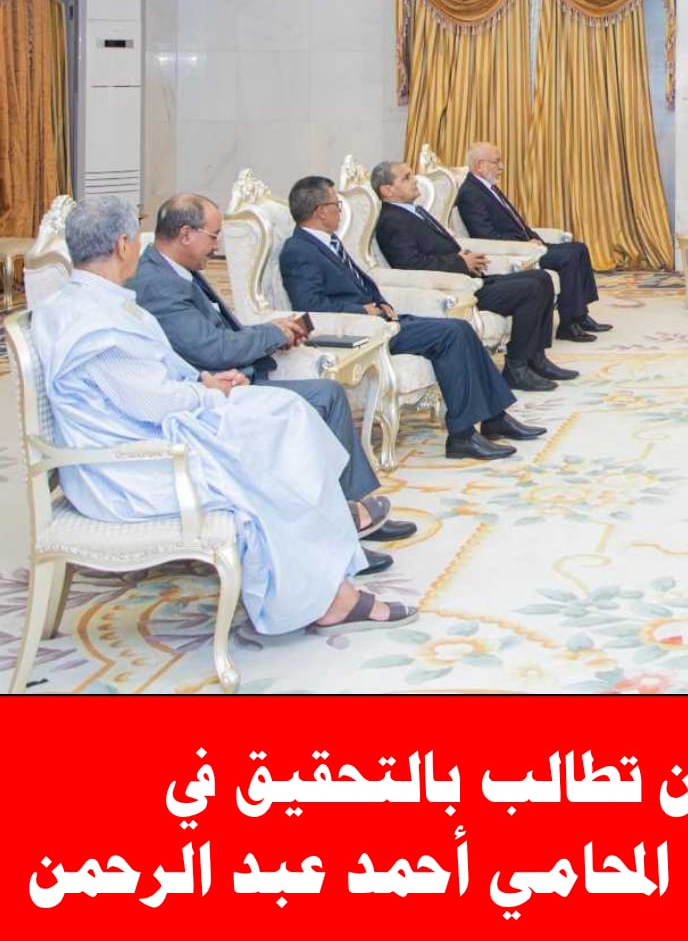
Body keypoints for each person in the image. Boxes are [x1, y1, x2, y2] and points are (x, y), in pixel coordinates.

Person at [31, 197, 417, 636]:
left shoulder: (89, 302)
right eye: (135, 239)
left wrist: (204, 381)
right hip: (130, 470)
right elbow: (154, 402)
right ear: (122, 244)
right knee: (276, 453)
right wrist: (208, 392)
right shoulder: (93, 321)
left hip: (145, 437)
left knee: (287, 415)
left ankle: (332, 557)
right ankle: (330, 593)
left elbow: (149, 380)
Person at [128, 192, 415, 575]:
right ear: (185, 234)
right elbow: (211, 349)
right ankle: (340, 533)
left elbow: (217, 334)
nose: (216, 247)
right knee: (324, 397)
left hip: (232, 380)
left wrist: (271, 332)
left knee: (328, 395)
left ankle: (353, 512)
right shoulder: (158, 283)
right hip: (212, 394)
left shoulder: (177, 269)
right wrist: (271, 335)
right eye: (213, 237)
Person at [279, 176, 546, 461]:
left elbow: (358, 284)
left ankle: (494, 418)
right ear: (321, 211)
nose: (340, 211)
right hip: (362, 332)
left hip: (382, 320)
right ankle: (462, 436)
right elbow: (310, 305)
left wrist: (381, 302)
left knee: (460, 328)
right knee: (452, 334)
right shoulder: (299, 250)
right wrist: (364, 312)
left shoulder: (326, 242)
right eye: (337, 205)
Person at [371, 161, 577, 393]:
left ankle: (536, 358)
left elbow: (439, 248)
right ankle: (517, 367)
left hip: (468, 278)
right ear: (387, 190)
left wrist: (465, 257)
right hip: (455, 290)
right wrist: (460, 262)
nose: (415, 180)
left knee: (540, 278)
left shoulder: (414, 210)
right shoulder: (391, 220)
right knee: (530, 288)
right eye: (407, 178)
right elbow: (410, 265)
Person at [457, 141, 612, 342]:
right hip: (517, 252)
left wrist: (534, 237)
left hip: (528, 245)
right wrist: (525, 246)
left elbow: (516, 222)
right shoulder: (470, 193)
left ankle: (580, 315)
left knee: (579, 248)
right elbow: (486, 235)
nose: (502, 167)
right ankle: (568, 324)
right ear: (479, 165)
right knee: (569, 256)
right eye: (497, 162)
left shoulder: (488, 187)